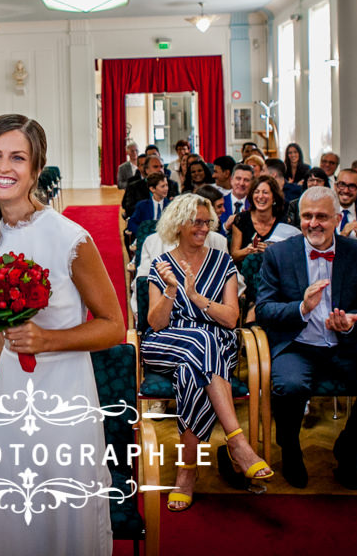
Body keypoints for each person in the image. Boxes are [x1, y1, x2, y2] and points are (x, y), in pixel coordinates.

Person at [0, 114, 123, 555]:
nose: (5, 167)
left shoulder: (69, 237)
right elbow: (0, 340)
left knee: (67, 521)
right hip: (12, 402)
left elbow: (114, 326)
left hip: (65, 397)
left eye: (18, 157)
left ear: (37, 170)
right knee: (19, 519)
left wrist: (47, 341)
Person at [255, 187, 357, 489]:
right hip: (297, 343)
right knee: (290, 386)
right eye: (307, 216)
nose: (313, 223)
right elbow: (264, 309)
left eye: (321, 216)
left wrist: (351, 322)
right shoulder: (279, 253)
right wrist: (302, 307)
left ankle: (348, 447)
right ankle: (290, 448)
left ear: (337, 218)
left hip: (345, 345)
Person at [142, 195, 273, 512]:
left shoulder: (222, 261)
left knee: (194, 369)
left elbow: (231, 318)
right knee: (200, 341)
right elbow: (156, 324)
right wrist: (172, 290)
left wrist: (196, 297)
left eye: (207, 222)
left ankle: (186, 474)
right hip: (167, 343)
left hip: (214, 347)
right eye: (196, 222)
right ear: (178, 224)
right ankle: (237, 441)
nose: (203, 228)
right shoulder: (159, 265)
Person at [229, 175, 300, 265]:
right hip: (245, 274)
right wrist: (248, 250)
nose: (260, 196)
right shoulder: (241, 219)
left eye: (265, 192)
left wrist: (272, 250)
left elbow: (291, 253)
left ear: (274, 197)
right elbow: (234, 256)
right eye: (257, 192)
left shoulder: (284, 220)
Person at [127, 172, 171, 241]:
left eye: (167, 185)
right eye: (162, 186)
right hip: (146, 239)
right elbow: (131, 223)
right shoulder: (142, 205)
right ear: (152, 189)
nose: (166, 189)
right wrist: (142, 232)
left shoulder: (171, 205)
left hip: (166, 240)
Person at [333, 168, 357, 239]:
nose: (346, 190)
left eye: (352, 186)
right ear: (335, 187)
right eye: (342, 185)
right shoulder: (325, 214)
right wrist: (343, 234)